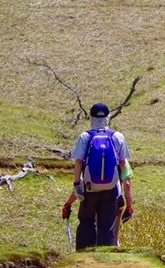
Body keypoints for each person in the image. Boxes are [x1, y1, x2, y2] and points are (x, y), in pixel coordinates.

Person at [61, 102, 135, 250]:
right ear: (108, 117)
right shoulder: (118, 136)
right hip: (111, 190)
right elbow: (122, 163)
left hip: (90, 189)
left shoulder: (85, 136)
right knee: (107, 224)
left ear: (91, 118)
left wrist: (77, 184)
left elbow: (78, 162)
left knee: (87, 221)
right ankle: (105, 258)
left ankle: (83, 256)